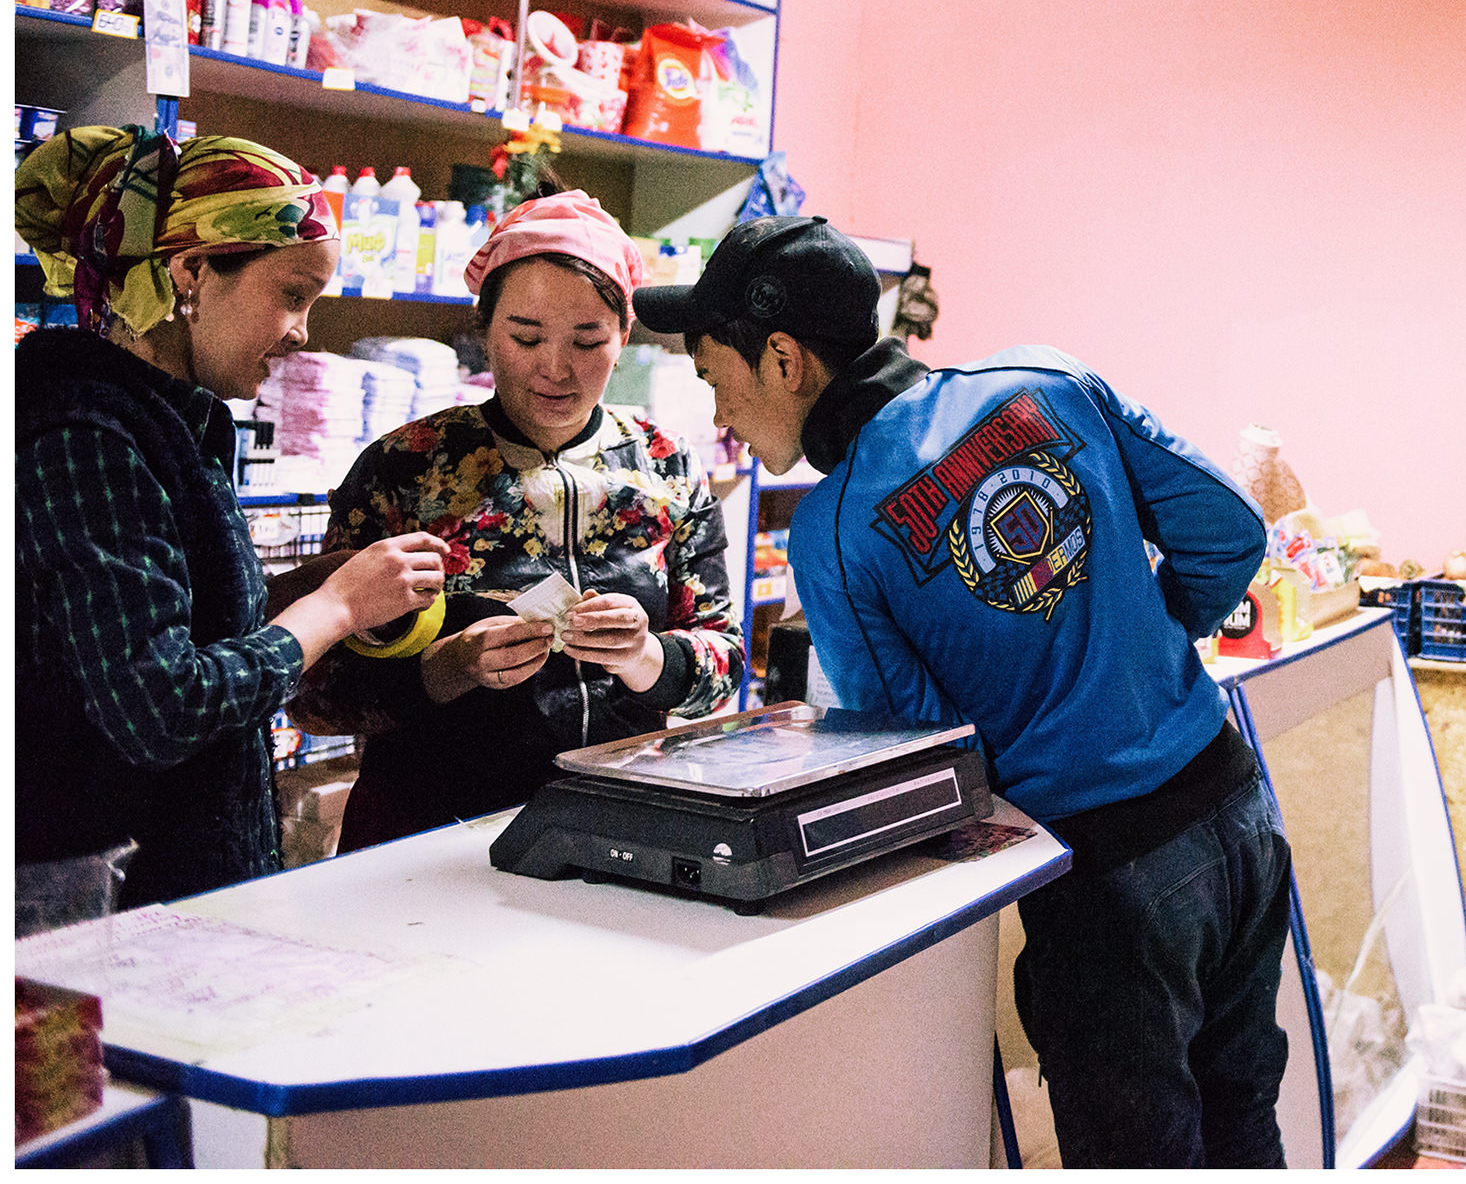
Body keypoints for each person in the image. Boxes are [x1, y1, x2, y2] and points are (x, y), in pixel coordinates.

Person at [634, 216, 1287, 1169]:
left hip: (1113, 888)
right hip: (1238, 809)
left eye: (712, 374)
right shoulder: (1046, 379)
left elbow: (921, 762)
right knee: (1242, 1120)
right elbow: (1229, 531)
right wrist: (1142, 641)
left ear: (781, 358)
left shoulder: (839, 529)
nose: (719, 411)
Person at [16, 127, 450, 908]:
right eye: (292, 293)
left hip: (178, 883)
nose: (303, 332)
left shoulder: (173, 422)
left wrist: (305, 592)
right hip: (104, 905)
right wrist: (332, 609)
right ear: (190, 273)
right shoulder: (85, 434)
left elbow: (167, 626)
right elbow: (160, 706)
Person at [283, 191, 739, 851]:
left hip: (620, 828)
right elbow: (313, 694)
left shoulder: (664, 467)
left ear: (624, 337)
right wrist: (450, 667)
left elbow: (722, 660)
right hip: (431, 841)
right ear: (484, 326)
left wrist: (646, 656)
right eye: (526, 337)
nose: (556, 368)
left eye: (588, 341)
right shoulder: (404, 470)